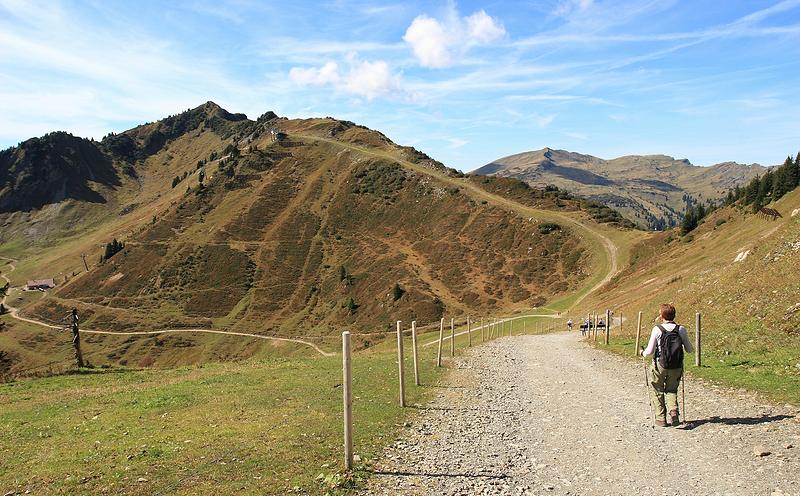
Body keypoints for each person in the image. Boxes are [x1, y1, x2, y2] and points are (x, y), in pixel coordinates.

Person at [641, 303, 694, 427]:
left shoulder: (657, 329)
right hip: (676, 366)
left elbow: (649, 352)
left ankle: (661, 419)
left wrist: (642, 353)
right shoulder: (681, 329)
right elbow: (689, 349)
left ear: (662, 316)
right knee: (671, 390)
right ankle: (674, 412)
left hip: (660, 364)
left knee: (657, 389)